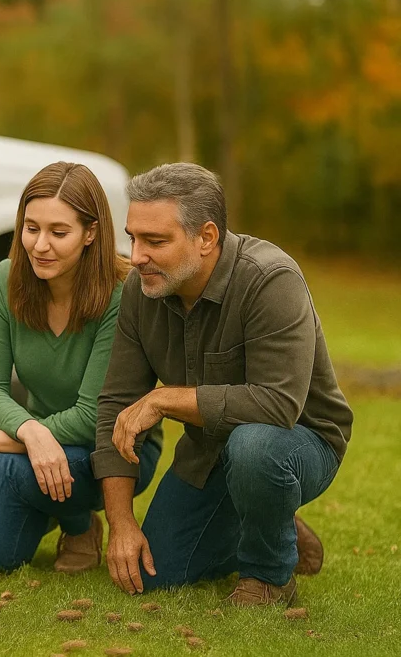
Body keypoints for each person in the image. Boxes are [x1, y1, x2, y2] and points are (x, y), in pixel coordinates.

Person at [93, 162, 353, 606]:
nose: (136, 256)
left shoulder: (271, 279)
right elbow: (117, 402)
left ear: (206, 237)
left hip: (299, 443)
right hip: (209, 452)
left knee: (254, 448)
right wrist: (121, 523)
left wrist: (163, 398)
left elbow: (278, 406)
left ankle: (268, 577)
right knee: (153, 576)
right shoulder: (142, 289)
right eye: (134, 237)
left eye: (156, 241)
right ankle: (269, 519)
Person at [0, 162, 162, 573]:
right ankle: (71, 520)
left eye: (58, 232)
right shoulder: (2, 280)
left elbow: (92, 418)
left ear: (91, 233)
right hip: (38, 442)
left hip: (111, 452)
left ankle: (76, 518)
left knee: (8, 466)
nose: (40, 245)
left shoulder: (123, 293)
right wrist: (28, 431)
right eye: (32, 228)